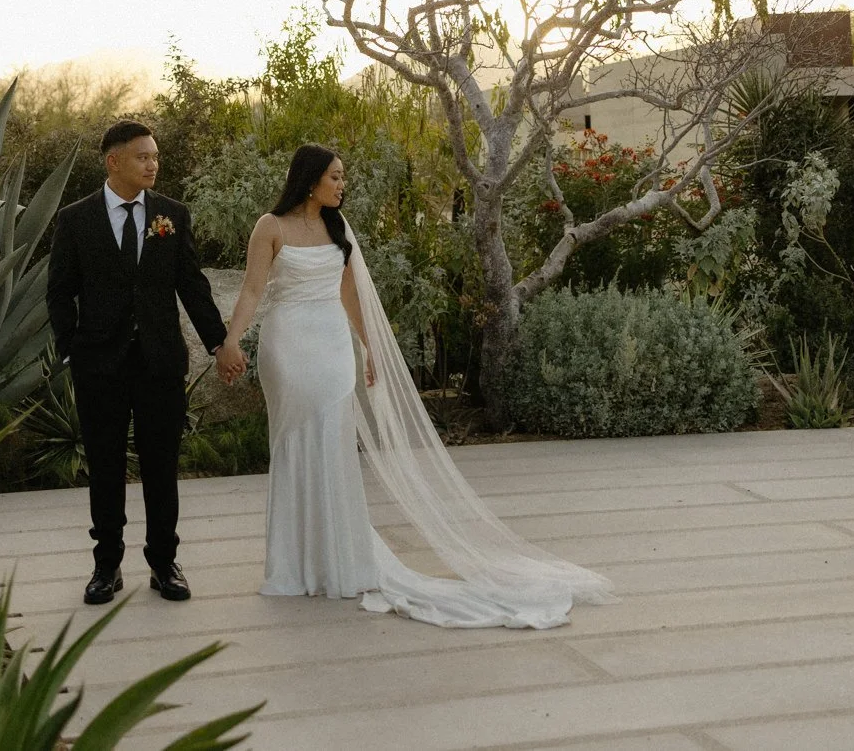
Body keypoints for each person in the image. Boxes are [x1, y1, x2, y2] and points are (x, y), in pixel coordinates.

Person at [216, 143, 615, 629]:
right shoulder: (270, 226)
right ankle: (293, 566)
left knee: (332, 448)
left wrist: (369, 346)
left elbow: (349, 295)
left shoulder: (338, 229)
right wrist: (231, 343)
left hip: (331, 349)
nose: (342, 185)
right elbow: (253, 289)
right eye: (336, 177)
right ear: (310, 179)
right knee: (294, 443)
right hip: (288, 348)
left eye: (344, 177)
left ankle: (333, 560)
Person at [46, 120, 227, 606]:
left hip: (159, 364)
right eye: (143, 157)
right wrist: (71, 349)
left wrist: (219, 343)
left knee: (161, 467)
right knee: (105, 467)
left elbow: (192, 286)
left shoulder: (171, 215)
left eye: (155, 157)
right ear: (114, 161)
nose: (153, 164)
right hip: (99, 366)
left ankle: (164, 563)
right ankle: (106, 567)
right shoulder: (75, 219)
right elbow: (60, 292)